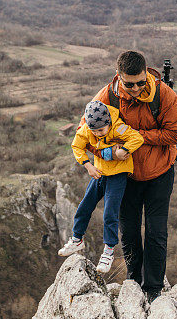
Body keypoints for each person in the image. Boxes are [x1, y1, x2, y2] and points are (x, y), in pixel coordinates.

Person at [79, 51, 177, 304]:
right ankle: (134, 281)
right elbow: (85, 132)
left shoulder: (164, 95)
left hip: (159, 172)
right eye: (130, 84)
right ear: (119, 77)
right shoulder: (107, 98)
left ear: (146, 73)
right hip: (123, 177)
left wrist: (137, 136)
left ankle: (154, 290)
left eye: (141, 82)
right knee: (129, 232)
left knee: (156, 232)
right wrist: (102, 153)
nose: (137, 88)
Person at [58, 99, 144, 273]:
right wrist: (88, 166)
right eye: (94, 130)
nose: (97, 134)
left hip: (117, 176)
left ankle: (109, 250)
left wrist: (124, 150)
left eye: (101, 130)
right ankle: (76, 239)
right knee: (84, 206)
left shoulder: (117, 127)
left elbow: (137, 138)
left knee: (109, 213)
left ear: (108, 123)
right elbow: (77, 145)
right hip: (99, 173)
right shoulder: (87, 130)